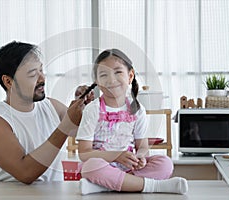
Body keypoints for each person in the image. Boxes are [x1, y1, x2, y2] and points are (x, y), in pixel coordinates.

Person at [75, 49, 188, 195]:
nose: (111, 79)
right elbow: (84, 154)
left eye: (118, 72)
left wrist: (141, 157)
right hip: (102, 165)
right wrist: (116, 156)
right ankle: (154, 186)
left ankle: (104, 186)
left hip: (128, 167)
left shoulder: (137, 110)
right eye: (104, 75)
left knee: (165, 163)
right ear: (97, 82)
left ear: (130, 76)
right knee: (91, 166)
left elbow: (142, 147)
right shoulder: (92, 110)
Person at [0, 41, 87, 184]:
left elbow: (87, 133)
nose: (42, 79)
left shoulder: (51, 106)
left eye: (41, 70)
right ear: (8, 81)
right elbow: (26, 173)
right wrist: (66, 125)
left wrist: (86, 108)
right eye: (32, 74)